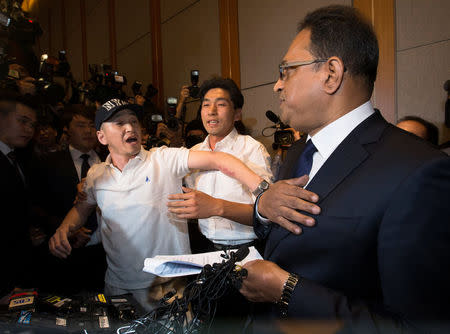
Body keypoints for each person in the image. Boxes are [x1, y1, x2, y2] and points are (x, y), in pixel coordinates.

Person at [239, 5, 450, 331]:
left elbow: (418, 327)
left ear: (331, 73)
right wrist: (263, 209)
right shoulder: (297, 151)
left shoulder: (418, 171)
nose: (276, 86)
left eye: (287, 70)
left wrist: (287, 291)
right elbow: (283, 238)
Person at [48, 98, 264, 311]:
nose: (130, 127)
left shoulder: (163, 159)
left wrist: (264, 192)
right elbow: (81, 209)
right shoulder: (96, 175)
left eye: (133, 121)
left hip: (168, 287)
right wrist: (64, 228)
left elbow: (219, 159)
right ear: (101, 137)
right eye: (119, 123)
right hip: (118, 287)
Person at [168, 77, 273, 252]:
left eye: (221, 104)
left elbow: (265, 213)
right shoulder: (194, 153)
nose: (212, 111)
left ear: (237, 114)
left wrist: (216, 206)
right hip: (205, 247)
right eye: (206, 105)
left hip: (246, 250)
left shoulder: (252, 149)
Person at [32, 104, 106, 293]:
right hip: (65, 255)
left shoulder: (110, 161)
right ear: (66, 130)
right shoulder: (49, 164)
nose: (88, 131)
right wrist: (68, 229)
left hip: (106, 255)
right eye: (81, 125)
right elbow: (38, 208)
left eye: (91, 125)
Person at [0, 91, 38, 301]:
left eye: (32, 125)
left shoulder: (17, 158)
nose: (29, 130)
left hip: (19, 270)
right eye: (23, 122)